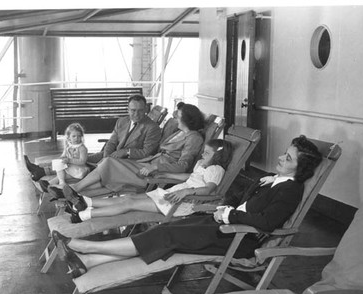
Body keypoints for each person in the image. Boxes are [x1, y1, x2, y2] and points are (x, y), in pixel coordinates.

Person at [50, 135, 323, 278]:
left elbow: (266, 223)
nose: (279, 157)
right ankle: (87, 262)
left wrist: (229, 212)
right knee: (167, 237)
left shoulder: (290, 190)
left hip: (239, 238)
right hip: (225, 224)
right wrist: (227, 209)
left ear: (300, 170)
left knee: (165, 235)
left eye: (287, 157)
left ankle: (83, 246)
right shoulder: (274, 181)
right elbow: (241, 202)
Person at [51, 103, 205, 199]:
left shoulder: (194, 138)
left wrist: (156, 167)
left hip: (154, 171)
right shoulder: (179, 133)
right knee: (107, 164)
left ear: (186, 119)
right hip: (149, 164)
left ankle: (73, 189)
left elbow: (183, 165)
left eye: (178, 116)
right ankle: (74, 192)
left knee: (108, 163)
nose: (175, 118)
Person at [63, 138, 233, 223]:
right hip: (172, 195)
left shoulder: (216, 170)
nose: (203, 154)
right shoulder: (202, 165)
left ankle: (84, 215)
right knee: (127, 198)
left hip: (183, 203)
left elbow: (209, 189)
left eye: (208, 153)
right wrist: (165, 176)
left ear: (218, 156)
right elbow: (189, 177)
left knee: (128, 205)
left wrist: (187, 191)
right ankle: (85, 200)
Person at [23, 94, 161, 181]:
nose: (136, 114)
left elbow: (147, 152)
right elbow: (112, 141)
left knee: (80, 162)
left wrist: (126, 152)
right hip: (111, 155)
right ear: (128, 109)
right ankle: (41, 168)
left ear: (146, 110)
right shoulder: (122, 121)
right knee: (81, 160)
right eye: (133, 110)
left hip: (127, 161)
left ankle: (42, 171)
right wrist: (107, 155)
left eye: (140, 110)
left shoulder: (152, 127)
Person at [32, 123, 90, 190]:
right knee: (59, 167)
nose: (76, 138)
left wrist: (69, 160)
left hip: (79, 170)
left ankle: (51, 184)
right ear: (69, 137)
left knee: (62, 174)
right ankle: (51, 184)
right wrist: (60, 160)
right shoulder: (68, 146)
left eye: (79, 136)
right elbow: (63, 155)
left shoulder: (82, 148)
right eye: (74, 136)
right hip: (70, 167)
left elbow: (82, 161)